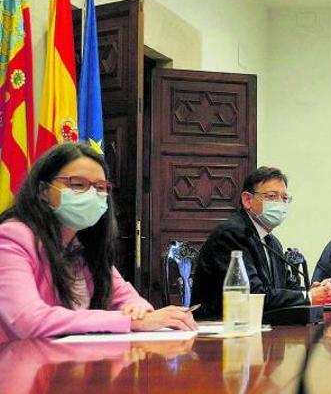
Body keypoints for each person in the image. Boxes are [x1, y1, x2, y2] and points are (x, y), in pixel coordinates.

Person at [0, 143, 197, 341]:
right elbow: (26, 320)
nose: (91, 195)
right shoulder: (12, 238)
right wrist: (127, 321)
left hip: (68, 364)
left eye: (100, 188)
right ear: (43, 190)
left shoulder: (82, 244)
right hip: (18, 364)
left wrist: (139, 310)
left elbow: (125, 296)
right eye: (78, 184)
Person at [192, 167, 331, 319]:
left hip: (258, 326)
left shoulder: (271, 241)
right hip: (219, 329)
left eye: (284, 198)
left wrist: (311, 291)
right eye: (272, 196)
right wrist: (307, 297)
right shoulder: (232, 235)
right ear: (247, 200)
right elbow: (252, 296)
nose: (280, 204)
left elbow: (283, 287)